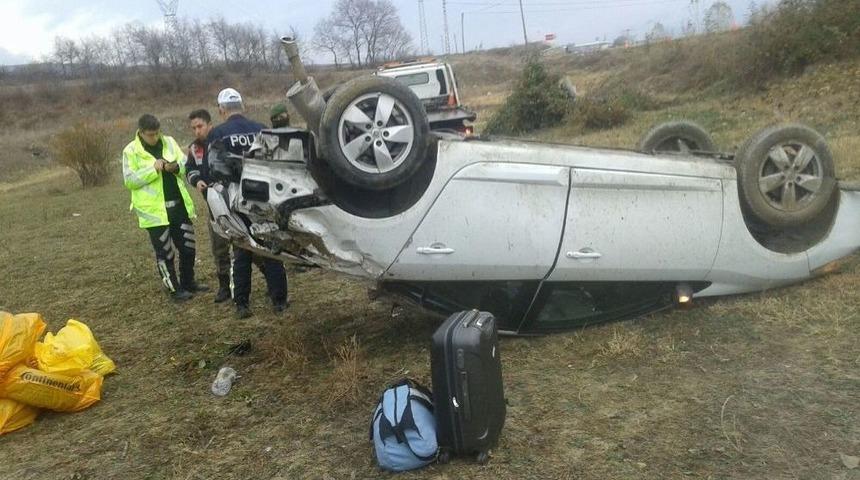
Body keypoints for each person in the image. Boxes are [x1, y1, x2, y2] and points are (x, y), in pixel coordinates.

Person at [208, 88, 288, 319]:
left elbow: (214, 169)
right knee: (271, 246)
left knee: (241, 248)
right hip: (264, 194)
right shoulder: (261, 128)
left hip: (236, 196)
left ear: (222, 110)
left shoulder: (218, 133)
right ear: (242, 107)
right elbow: (276, 162)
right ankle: (279, 301)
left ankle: (242, 303)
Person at [122, 114, 207, 301]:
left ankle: (188, 282)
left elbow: (185, 165)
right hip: (154, 213)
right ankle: (174, 290)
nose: (154, 138)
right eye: (150, 135)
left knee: (188, 247)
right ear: (141, 132)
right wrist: (153, 169)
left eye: (157, 133)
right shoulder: (131, 151)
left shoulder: (168, 142)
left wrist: (176, 167)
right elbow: (130, 181)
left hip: (178, 205)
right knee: (165, 253)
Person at [185, 109, 234, 303]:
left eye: (200, 126)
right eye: (193, 128)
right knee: (218, 247)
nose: (197, 131)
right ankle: (224, 286)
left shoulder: (222, 141)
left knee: (248, 245)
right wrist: (196, 180)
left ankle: (269, 278)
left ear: (209, 125)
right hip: (213, 205)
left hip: (233, 201)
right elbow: (189, 169)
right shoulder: (193, 149)